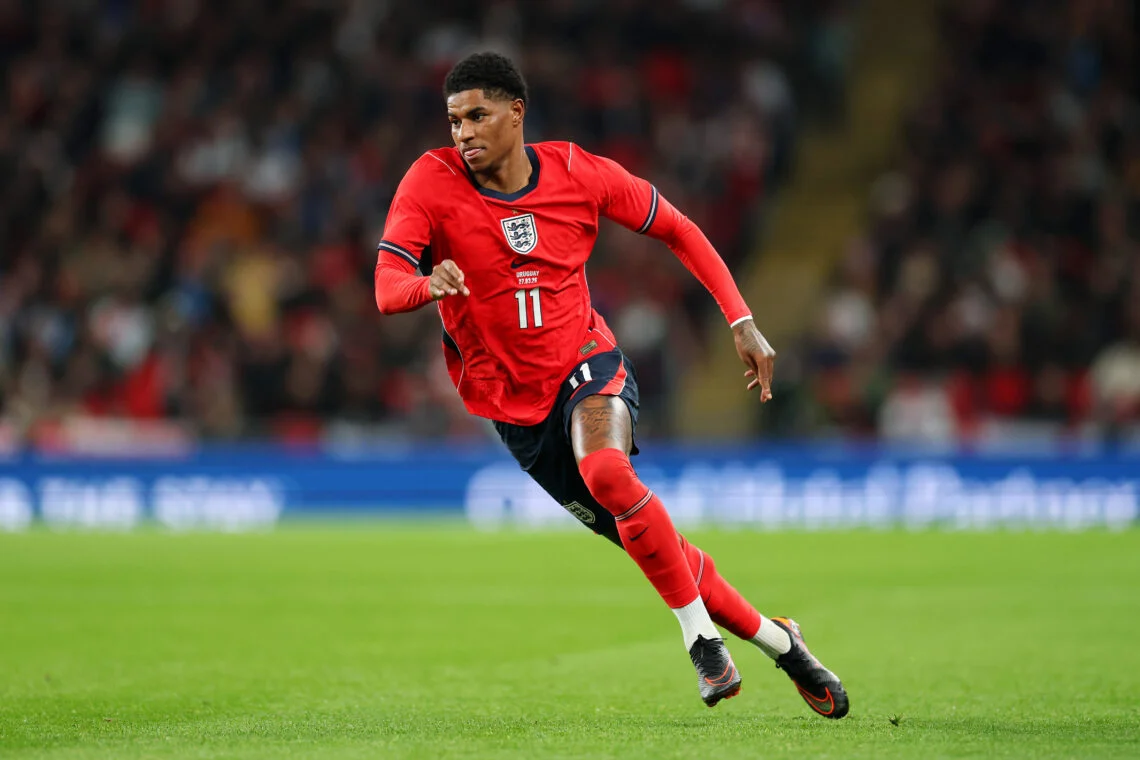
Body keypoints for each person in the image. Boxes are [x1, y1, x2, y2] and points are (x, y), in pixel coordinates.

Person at [374, 51, 848, 716]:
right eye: (454, 121)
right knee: (660, 551)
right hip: (514, 408)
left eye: (477, 116)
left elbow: (678, 229)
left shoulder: (578, 172)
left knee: (607, 473)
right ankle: (782, 642)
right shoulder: (431, 180)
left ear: (516, 112)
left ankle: (700, 641)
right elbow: (386, 287)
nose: (463, 133)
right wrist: (427, 283)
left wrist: (741, 321)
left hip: (586, 364)